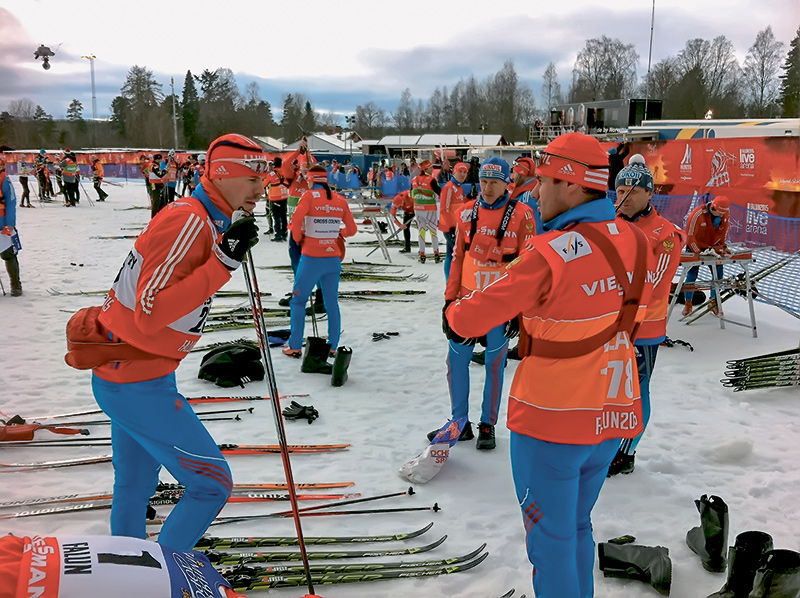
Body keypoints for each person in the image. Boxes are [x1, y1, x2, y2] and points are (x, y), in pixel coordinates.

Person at [446, 132, 652, 598]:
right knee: (576, 526)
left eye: (543, 180)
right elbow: (632, 312)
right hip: (610, 410)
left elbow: (471, 315)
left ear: (574, 184)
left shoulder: (552, 252)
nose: (535, 192)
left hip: (551, 418)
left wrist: (452, 314)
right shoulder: (635, 238)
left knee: (550, 541)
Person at [66, 133, 267, 550]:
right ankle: (167, 576)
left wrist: (222, 257)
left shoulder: (209, 219)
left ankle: (129, 575)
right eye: (252, 179)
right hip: (134, 382)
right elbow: (151, 312)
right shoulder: (188, 219)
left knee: (136, 485)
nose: (261, 189)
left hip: (138, 377)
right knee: (212, 485)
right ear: (225, 176)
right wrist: (223, 263)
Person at [434, 157, 536, 450]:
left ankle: (487, 425)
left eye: (495, 182)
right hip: (467, 300)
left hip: (501, 305)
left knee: (495, 364)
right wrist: (448, 301)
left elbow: (528, 266)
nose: (488, 188)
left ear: (508, 183)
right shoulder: (465, 213)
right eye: (484, 182)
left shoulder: (523, 214)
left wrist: (519, 311)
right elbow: (456, 259)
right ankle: (459, 423)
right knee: (456, 362)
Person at [607, 155, 686, 477]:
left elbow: (654, 287)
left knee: (637, 389)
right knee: (609, 387)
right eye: (620, 189)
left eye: (633, 190)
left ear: (649, 194)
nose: (624, 196)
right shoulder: (609, 222)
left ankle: (626, 451)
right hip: (608, 324)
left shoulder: (665, 234)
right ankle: (605, 443)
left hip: (643, 328)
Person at [282, 164, 357, 362]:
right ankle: (333, 346)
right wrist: (337, 233)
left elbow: (295, 223)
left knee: (298, 301)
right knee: (332, 302)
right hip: (332, 259)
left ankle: (295, 345)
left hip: (311, 258)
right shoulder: (339, 199)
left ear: (311, 179)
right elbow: (352, 229)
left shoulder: (308, 197)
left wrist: (299, 238)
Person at [682, 195, 731, 316]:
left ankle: (713, 301)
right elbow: (690, 236)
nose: (721, 216)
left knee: (718, 275)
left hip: (712, 249)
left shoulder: (724, 214)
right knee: (692, 274)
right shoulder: (697, 214)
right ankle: (688, 302)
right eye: (719, 214)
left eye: (723, 214)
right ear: (713, 208)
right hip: (695, 247)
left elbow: (723, 233)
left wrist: (722, 248)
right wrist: (699, 253)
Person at [438, 161, 470, 279]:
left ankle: (450, 281)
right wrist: (450, 228)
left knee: (450, 254)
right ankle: (451, 281)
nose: (462, 174)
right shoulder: (449, 187)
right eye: (460, 172)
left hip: (457, 227)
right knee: (456, 255)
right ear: (454, 173)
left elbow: (460, 205)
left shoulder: (459, 188)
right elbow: (444, 210)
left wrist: (470, 199)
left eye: (465, 172)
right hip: (450, 228)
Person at [411, 160, 441, 263]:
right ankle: (436, 254)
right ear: (426, 169)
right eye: (430, 167)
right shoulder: (431, 180)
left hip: (418, 208)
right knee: (433, 231)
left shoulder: (414, 179)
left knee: (421, 230)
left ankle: (422, 254)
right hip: (429, 208)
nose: (432, 169)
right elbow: (439, 192)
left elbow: (412, 193)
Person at [0, 158, 22, 296]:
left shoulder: (3, 179)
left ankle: (16, 285)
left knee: (9, 255)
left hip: (2, 224)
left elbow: (11, 201)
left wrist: (10, 225)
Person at [265, 157, 289, 241]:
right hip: (284, 196)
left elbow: (264, 184)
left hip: (274, 197)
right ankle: (284, 234)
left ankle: (278, 234)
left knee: (276, 216)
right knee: (284, 216)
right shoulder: (285, 172)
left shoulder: (271, 174)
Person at [389, 189, 415, 254]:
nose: (400, 207)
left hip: (417, 209)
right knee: (406, 229)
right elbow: (392, 216)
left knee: (421, 228)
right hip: (407, 211)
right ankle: (407, 247)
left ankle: (422, 249)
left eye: (401, 206)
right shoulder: (395, 202)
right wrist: (400, 225)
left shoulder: (410, 196)